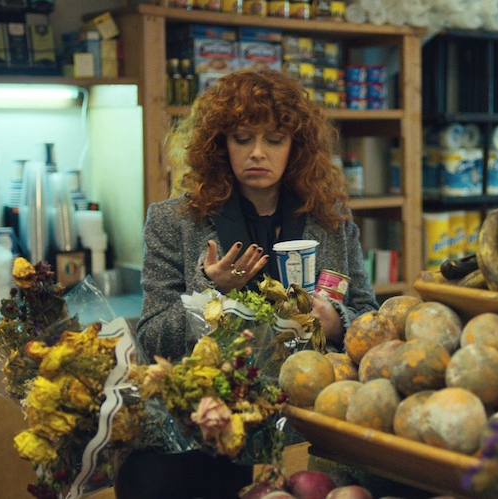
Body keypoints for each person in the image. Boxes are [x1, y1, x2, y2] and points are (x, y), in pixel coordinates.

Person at [116, 69, 379, 498]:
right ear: (220, 144)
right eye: (242, 138)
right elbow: (152, 339)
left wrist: (336, 322)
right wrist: (208, 293)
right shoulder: (174, 221)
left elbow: (369, 319)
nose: (257, 153)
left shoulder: (331, 221)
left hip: (307, 428)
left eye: (274, 140)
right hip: (209, 432)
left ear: (296, 147)